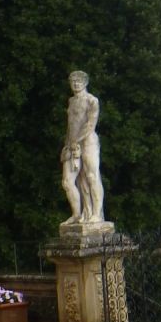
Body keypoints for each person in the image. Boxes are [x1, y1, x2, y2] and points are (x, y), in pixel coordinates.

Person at [60, 70, 104, 224]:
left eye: (79, 81)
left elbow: (90, 124)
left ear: (85, 83)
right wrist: (68, 144)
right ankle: (77, 214)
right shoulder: (72, 101)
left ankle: (96, 214)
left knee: (91, 176)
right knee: (68, 181)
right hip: (72, 144)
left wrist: (76, 141)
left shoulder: (92, 100)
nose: (76, 84)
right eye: (73, 82)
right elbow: (70, 126)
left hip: (88, 142)